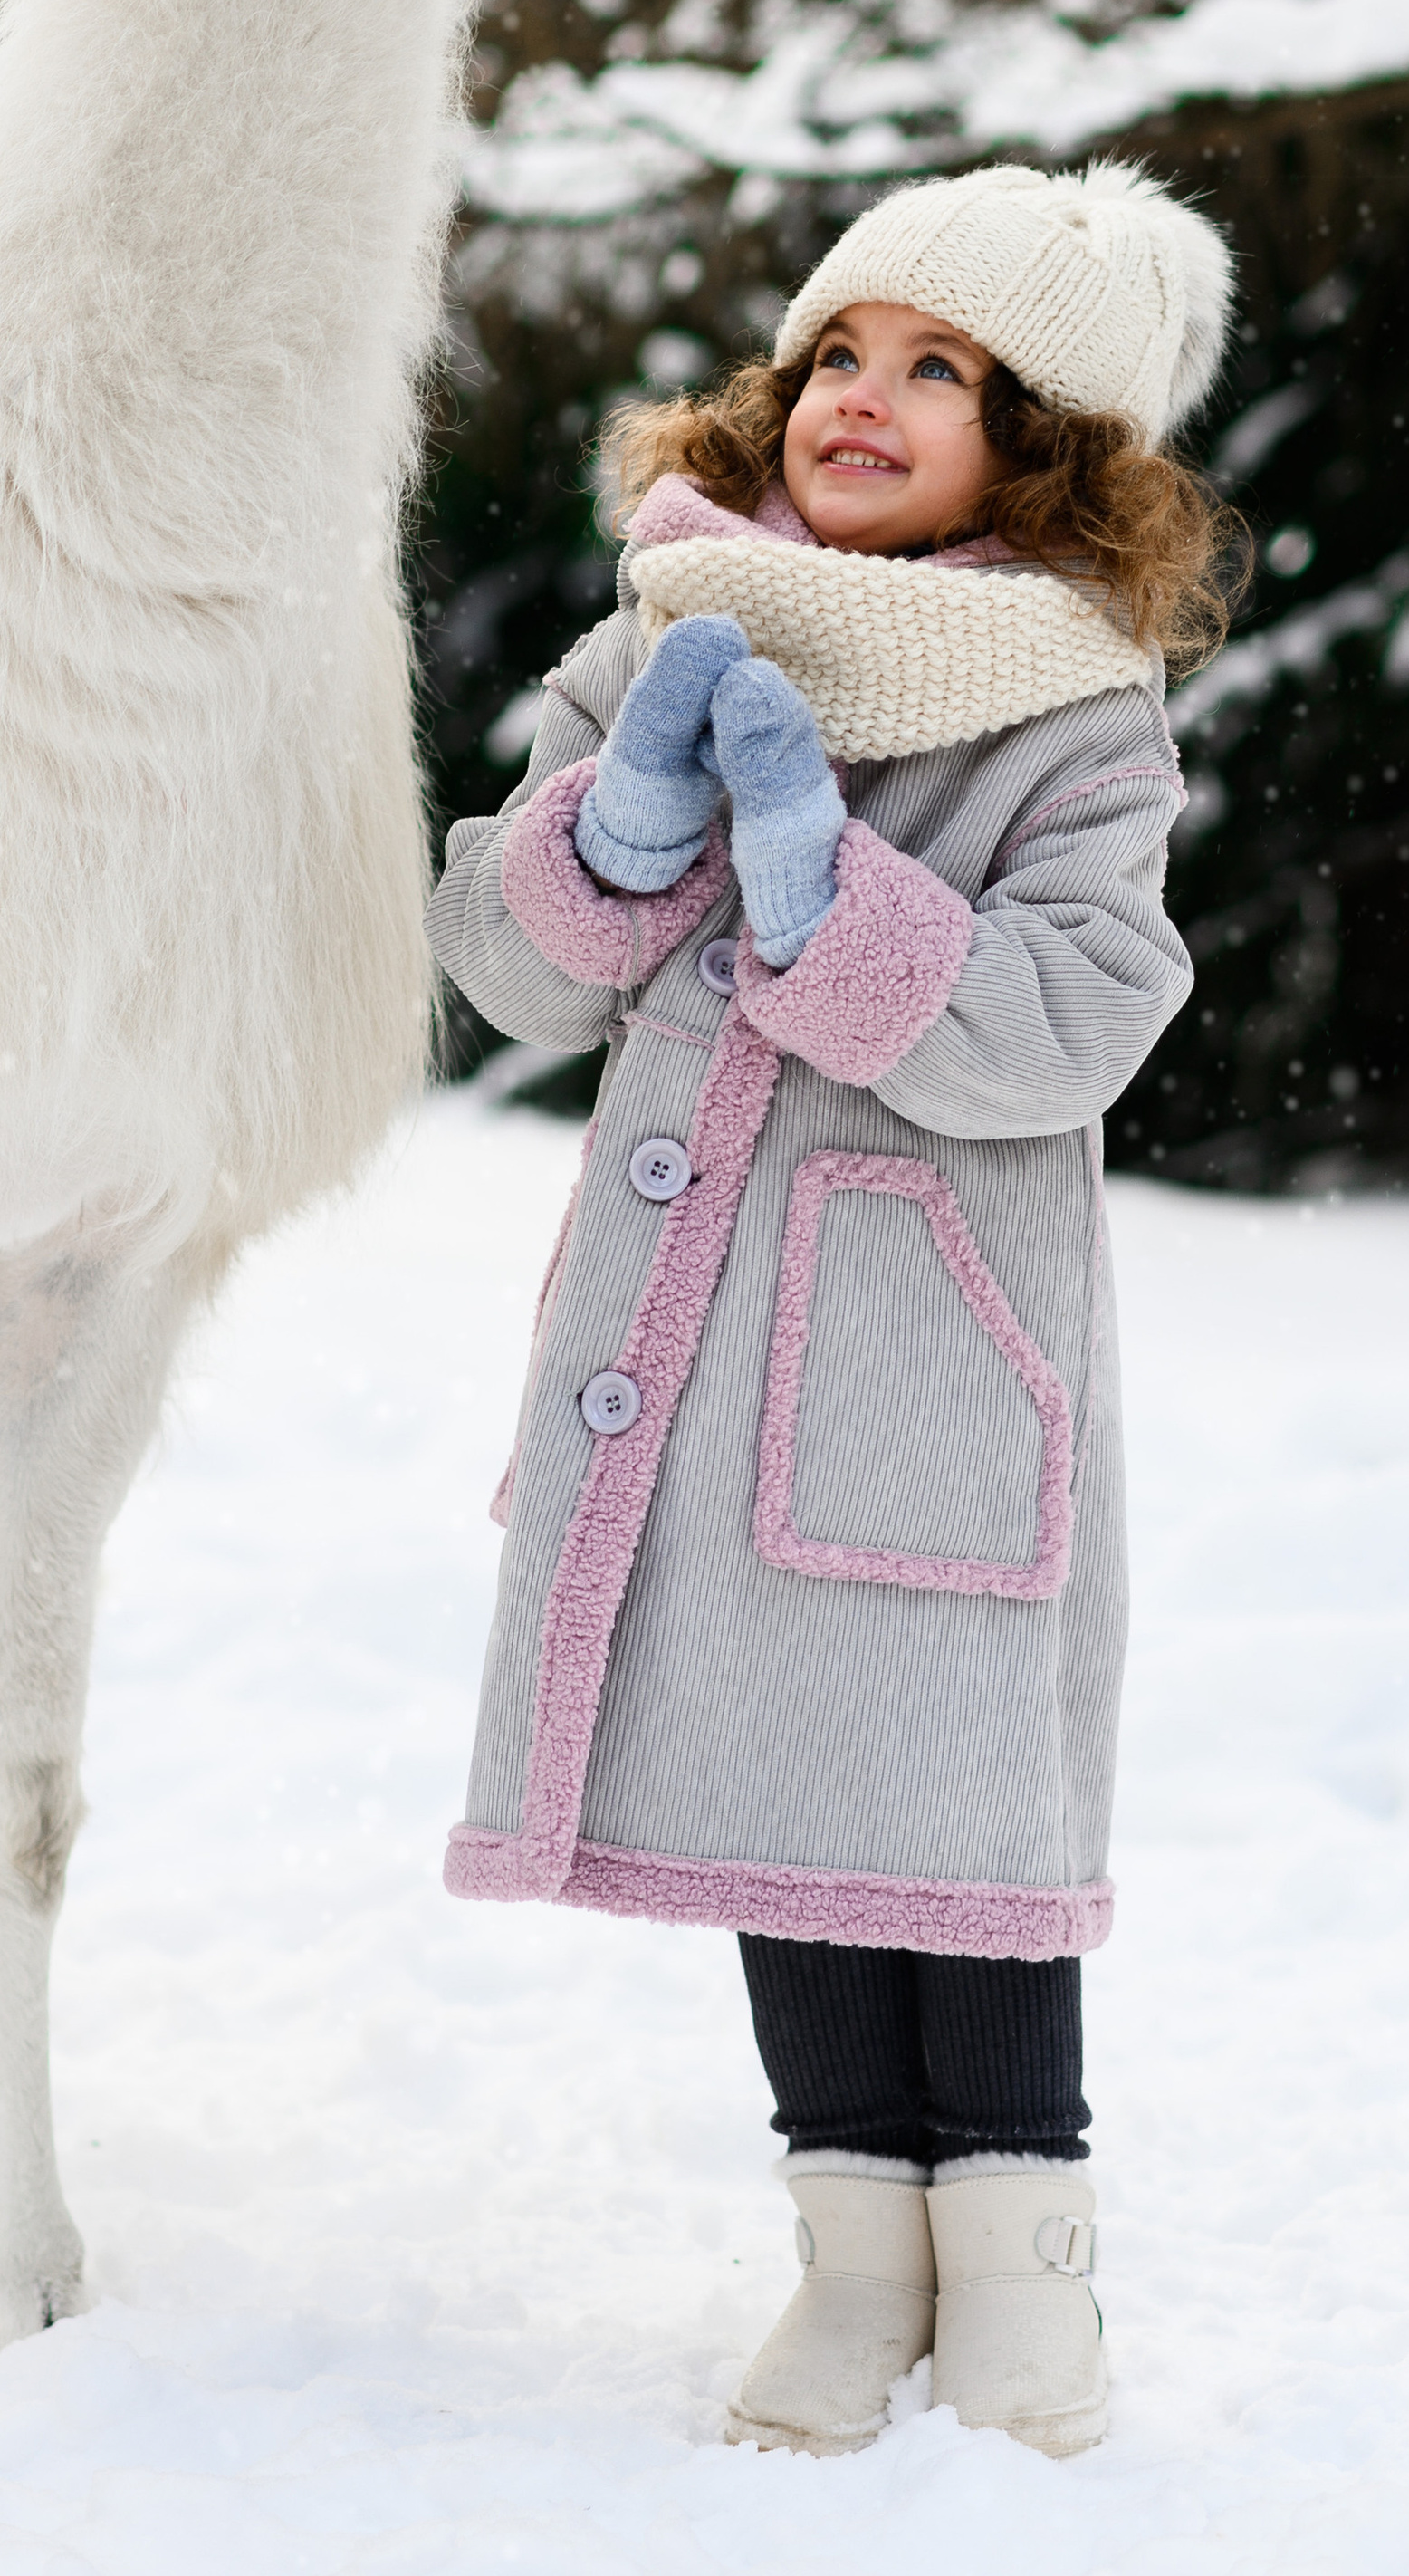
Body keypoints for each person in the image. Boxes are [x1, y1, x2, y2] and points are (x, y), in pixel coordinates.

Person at [427, 159, 1244, 2456]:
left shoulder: (1079, 721)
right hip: (700, 1341)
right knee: (775, 1775)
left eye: (938, 371)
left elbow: (1069, 1024)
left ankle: (1020, 2256)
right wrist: (614, 838)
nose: (858, 403)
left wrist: (826, 888)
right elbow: (495, 965)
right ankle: (847, 2249)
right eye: (837, 356)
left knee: (954, 1811)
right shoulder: (666, 635)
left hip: (935, 1349)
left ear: (1045, 447)